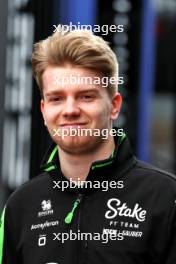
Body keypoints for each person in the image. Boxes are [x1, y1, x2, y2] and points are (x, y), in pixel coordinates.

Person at [0, 26, 176, 264]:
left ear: (114, 106)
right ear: (44, 110)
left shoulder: (165, 198)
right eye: (57, 98)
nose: (70, 110)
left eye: (86, 96)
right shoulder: (20, 207)